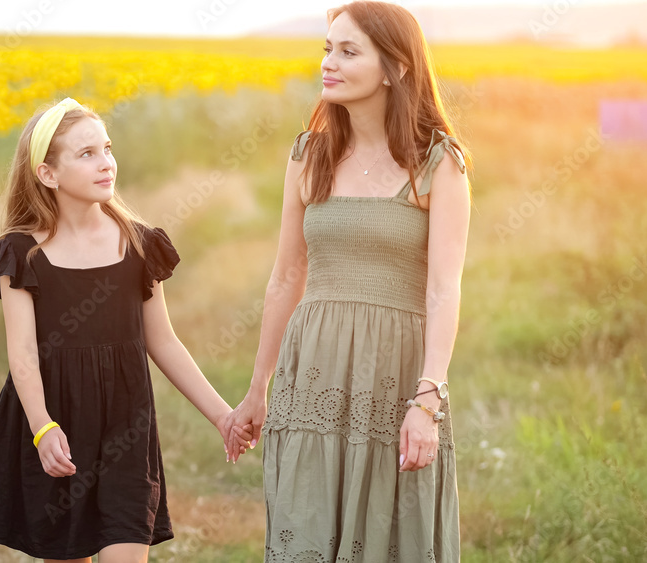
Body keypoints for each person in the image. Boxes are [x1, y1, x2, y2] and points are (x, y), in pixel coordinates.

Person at [222, 2, 470, 561]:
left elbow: (443, 289)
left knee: (389, 535)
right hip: (313, 372)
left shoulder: (438, 164)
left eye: (348, 51)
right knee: (306, 528)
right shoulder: (309, 154)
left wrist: (427, 399)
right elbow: (286, 276)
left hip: (398, 377)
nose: (329, 63)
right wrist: (258, 389)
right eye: (327, 49)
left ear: (396, 68)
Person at [0, 98, 252, 563]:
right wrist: (41, 427)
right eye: (87, 154)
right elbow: (23, 354)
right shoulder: (21, 254)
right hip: (57, 428)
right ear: (48, 174)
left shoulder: (139, 243)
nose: (106, 163)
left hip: (125, 429)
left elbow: (163, 341)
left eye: (107, 148)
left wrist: (222, 416)